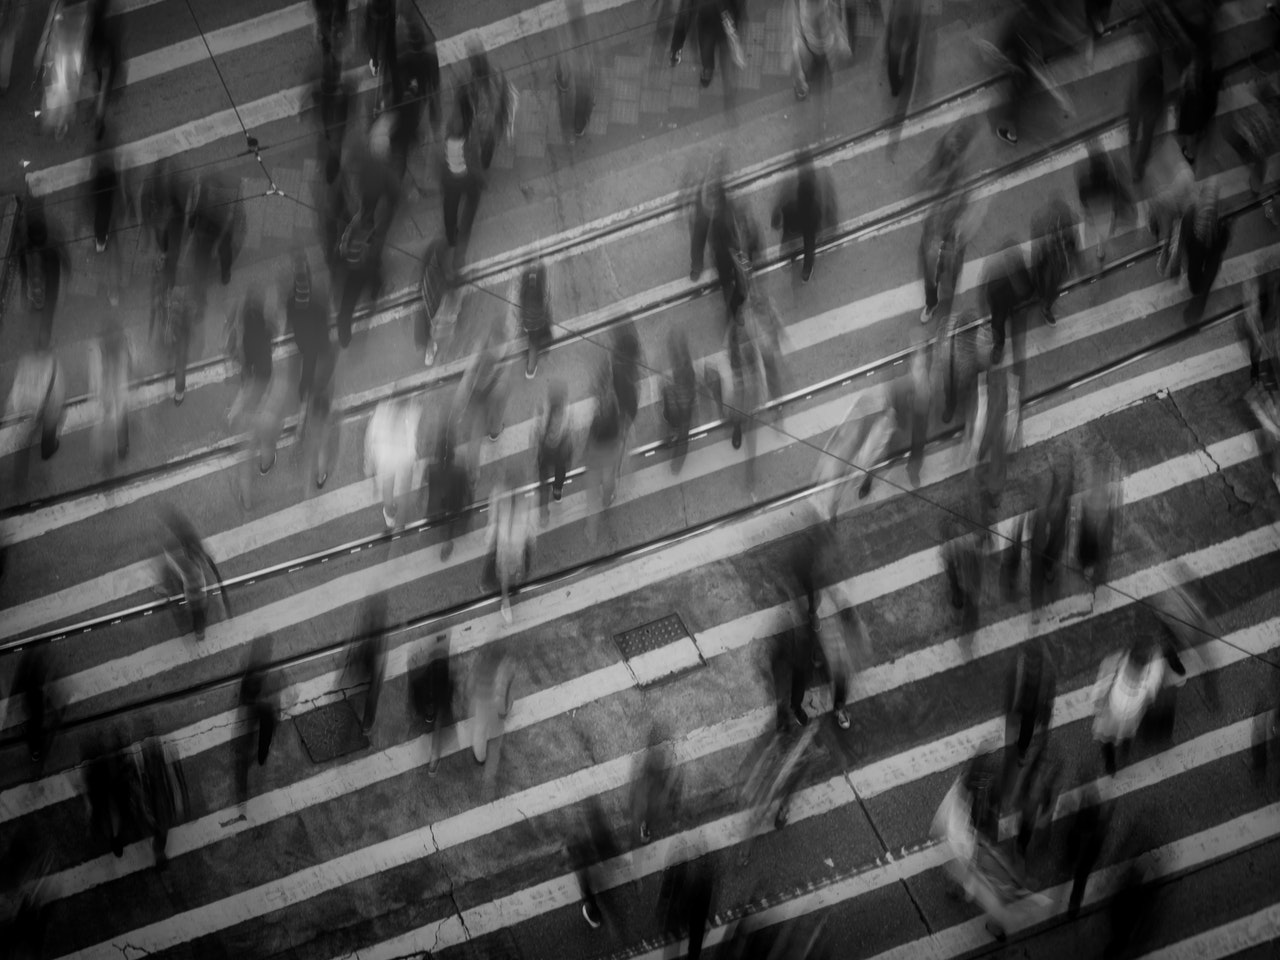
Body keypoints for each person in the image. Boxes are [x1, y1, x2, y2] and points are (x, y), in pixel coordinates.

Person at [1091, 640, 1165, 775]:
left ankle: (1111, 763)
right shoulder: (1147, 683)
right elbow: (1155, 677)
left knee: (1108, 741)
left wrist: (1097, 705)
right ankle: (1120, 756)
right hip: (1128, 719)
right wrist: (1157, 654)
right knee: (1124, 738)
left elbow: (1100, 686)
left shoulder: (1116, 665)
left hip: (1110, 718)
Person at [156, 508, 230, 640]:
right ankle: (201, 626)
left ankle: (200, 630)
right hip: (191, 576)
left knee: (198, 609)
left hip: (193, 585)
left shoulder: (183, 555)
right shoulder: (186, 542)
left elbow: (186, 569)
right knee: (197, 602)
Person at [5, 342, 65, 491]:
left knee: (24, 441)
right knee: (49, 433)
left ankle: (19, 478)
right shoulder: (53, 363)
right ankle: (48, 449)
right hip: (48, 408)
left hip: (29, 410)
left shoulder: (25, 361)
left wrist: (13, 409)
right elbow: (58, 389)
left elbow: (18, 386)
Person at [772, 149, 837, 283]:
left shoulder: (793, 209)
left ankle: (788, 261)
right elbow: (809, 248)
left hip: (796, 224)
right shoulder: (810, 212)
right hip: (805, 223)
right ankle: (802, 270)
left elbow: (782, 216)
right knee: (806, 240)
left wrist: (778, 217)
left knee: (791, 236)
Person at [456, 41, 516, 171]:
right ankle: (478, 162)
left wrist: (505, 123)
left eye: (475, 60)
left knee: (486, 148)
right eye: (472, 60)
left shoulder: (495, 75)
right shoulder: (469, 80)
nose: (474, 63)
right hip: (478, 123)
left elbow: (505, 98)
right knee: (476, 145)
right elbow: (464, 102)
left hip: (490, 126)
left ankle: (483, 164)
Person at [364, 395, 421, 530]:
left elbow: (370, 436)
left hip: (387, 455)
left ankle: (389, 513)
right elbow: (412, 433)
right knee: (405, 485)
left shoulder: (382, 410)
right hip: (404, 454)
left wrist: (369, 464)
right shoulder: (412, 409)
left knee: (388, 484)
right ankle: (401, 520)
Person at [669, 0, 745, 99]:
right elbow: (686, 13)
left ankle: (711, 70)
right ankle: (709, 69)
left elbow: (685, 14)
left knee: (715, 51)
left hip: (719, 21)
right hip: (711, 22)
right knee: (708, 51)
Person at [485, 479, 536, 623]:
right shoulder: (500, 490)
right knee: (506, 571)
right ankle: (505, 600)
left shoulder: (525, 492)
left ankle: (510, 591)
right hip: (506, 540)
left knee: (515, 568)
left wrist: (530, 533)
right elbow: (494, 515)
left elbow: (530, 515)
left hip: (516, 539)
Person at [237, 637, 279, 805]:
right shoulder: (268, 669)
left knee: (251, 742)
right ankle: (261, 756)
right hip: (263, 708)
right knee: (263, 737)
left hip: (257, 708)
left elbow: (244, 691)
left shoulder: (251, 668)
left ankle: (242, 786)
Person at [286, 252, 332, 405]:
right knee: (309, 365)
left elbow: (292, 321)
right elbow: (323, 325)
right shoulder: (316, 306)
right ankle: (305, 390)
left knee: (308, 366)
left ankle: (304, 390)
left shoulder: (292, 303)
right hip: (312, 341)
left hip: (304, 340)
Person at [785, 0, 851, 104]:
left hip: (824, 46)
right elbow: (794, 24)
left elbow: (836, 14)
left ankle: (816, 90)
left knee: (822, 81)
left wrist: (840, 37)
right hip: (811, 46)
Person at [439, 111, 484, 257]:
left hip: (450, 181)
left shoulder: (446, 141)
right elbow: (472, 164)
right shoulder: (466, 144)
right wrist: (481, 179)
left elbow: (441, 162)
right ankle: (463, 233)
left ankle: (451, 236)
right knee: (473, 196)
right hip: (464, 178)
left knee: (450, 208)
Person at [1029, 196, 1079, 327]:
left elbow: (1072, 245)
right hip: (1049, 262)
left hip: (1056, 264)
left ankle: (1044, 303)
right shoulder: (1043, 223)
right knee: (1048, 286)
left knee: (1050, 286)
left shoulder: (1065, 225)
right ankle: (1045, 307)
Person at [456, 317, 507, 443]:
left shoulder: (483, 354)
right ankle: (494, 432)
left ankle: (470, 427)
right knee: (491, 410)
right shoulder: (491, 361)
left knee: (476, 410)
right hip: (484, 392)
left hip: (476, 392)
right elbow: (491, 380)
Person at [918, 194, 966, 325]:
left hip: (950, 252)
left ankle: (948, 310)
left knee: (949, 284)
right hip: (934, 252)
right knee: (931, 281)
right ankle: (931, 304)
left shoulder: (957, 220)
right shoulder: (934, 213)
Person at [88, 322, 131, 468]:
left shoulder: (97, 349)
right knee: (119, 421)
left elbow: (94, 375)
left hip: (110, 397)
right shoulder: (122, 346)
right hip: (113, 396)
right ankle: (121, 450)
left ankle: (114, 452)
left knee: (111, 424)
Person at [426, 423, 470, 559]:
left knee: (442, 519)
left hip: (437, 503)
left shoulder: (432, 469)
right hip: (454, 502)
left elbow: (428, 484)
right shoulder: (460, 470)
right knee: (451, 521)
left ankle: (444, 537)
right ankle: (447, 540)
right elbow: (465, 489)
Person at [556, 1, 596, 144]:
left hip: (578, 64)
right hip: (582, 65)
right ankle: (578, 124)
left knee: (570, 37)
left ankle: (562, 77)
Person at [534, 381, 573, 522]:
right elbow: (569, 429)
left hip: (545, 451)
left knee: (543, 478)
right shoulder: (566, 411)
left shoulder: (544, 409)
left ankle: (543, 512)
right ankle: (557, 492)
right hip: (560, 451)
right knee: (560, 470)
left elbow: (537, 429)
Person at [469, 648, 515, 762]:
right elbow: (508, 681)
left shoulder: (480, 661)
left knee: (481, 726)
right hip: (498, 694)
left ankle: (480, 757)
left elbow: (471, 681)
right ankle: (502, 713)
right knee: (503, 698)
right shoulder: (505, 661)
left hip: (483, 695)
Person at [662, 330, 697, 471]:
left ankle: (678, 346)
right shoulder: (683, 380)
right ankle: (678, 346)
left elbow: (683, 441)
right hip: (682, 397)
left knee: (682, 367)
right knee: (682, 366)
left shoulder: (681, 411)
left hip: (682, 399)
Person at [511, 259, 553, 379]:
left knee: (532, 342)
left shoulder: (525, 279)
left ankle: (530, 368)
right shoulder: (541, 277)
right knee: (536, 341)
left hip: (531, 320)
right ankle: (531, 268)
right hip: (535, 318)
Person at [353, 593, 388, 735]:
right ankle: (375, 618)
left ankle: (375, 618)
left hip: (373, 663)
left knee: (375, 682)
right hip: (374, 662)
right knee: (376, 681)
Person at [884, 0, 923, 99]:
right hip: (903, 21)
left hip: (901, 18)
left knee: (894, 56)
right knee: (896, 54)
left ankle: (895, 87)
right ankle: (896, 86)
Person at [365, 0, 395, 79]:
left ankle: (375, 64)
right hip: (387, 7)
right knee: (387, 29)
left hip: (374, 7)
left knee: (373, 33)